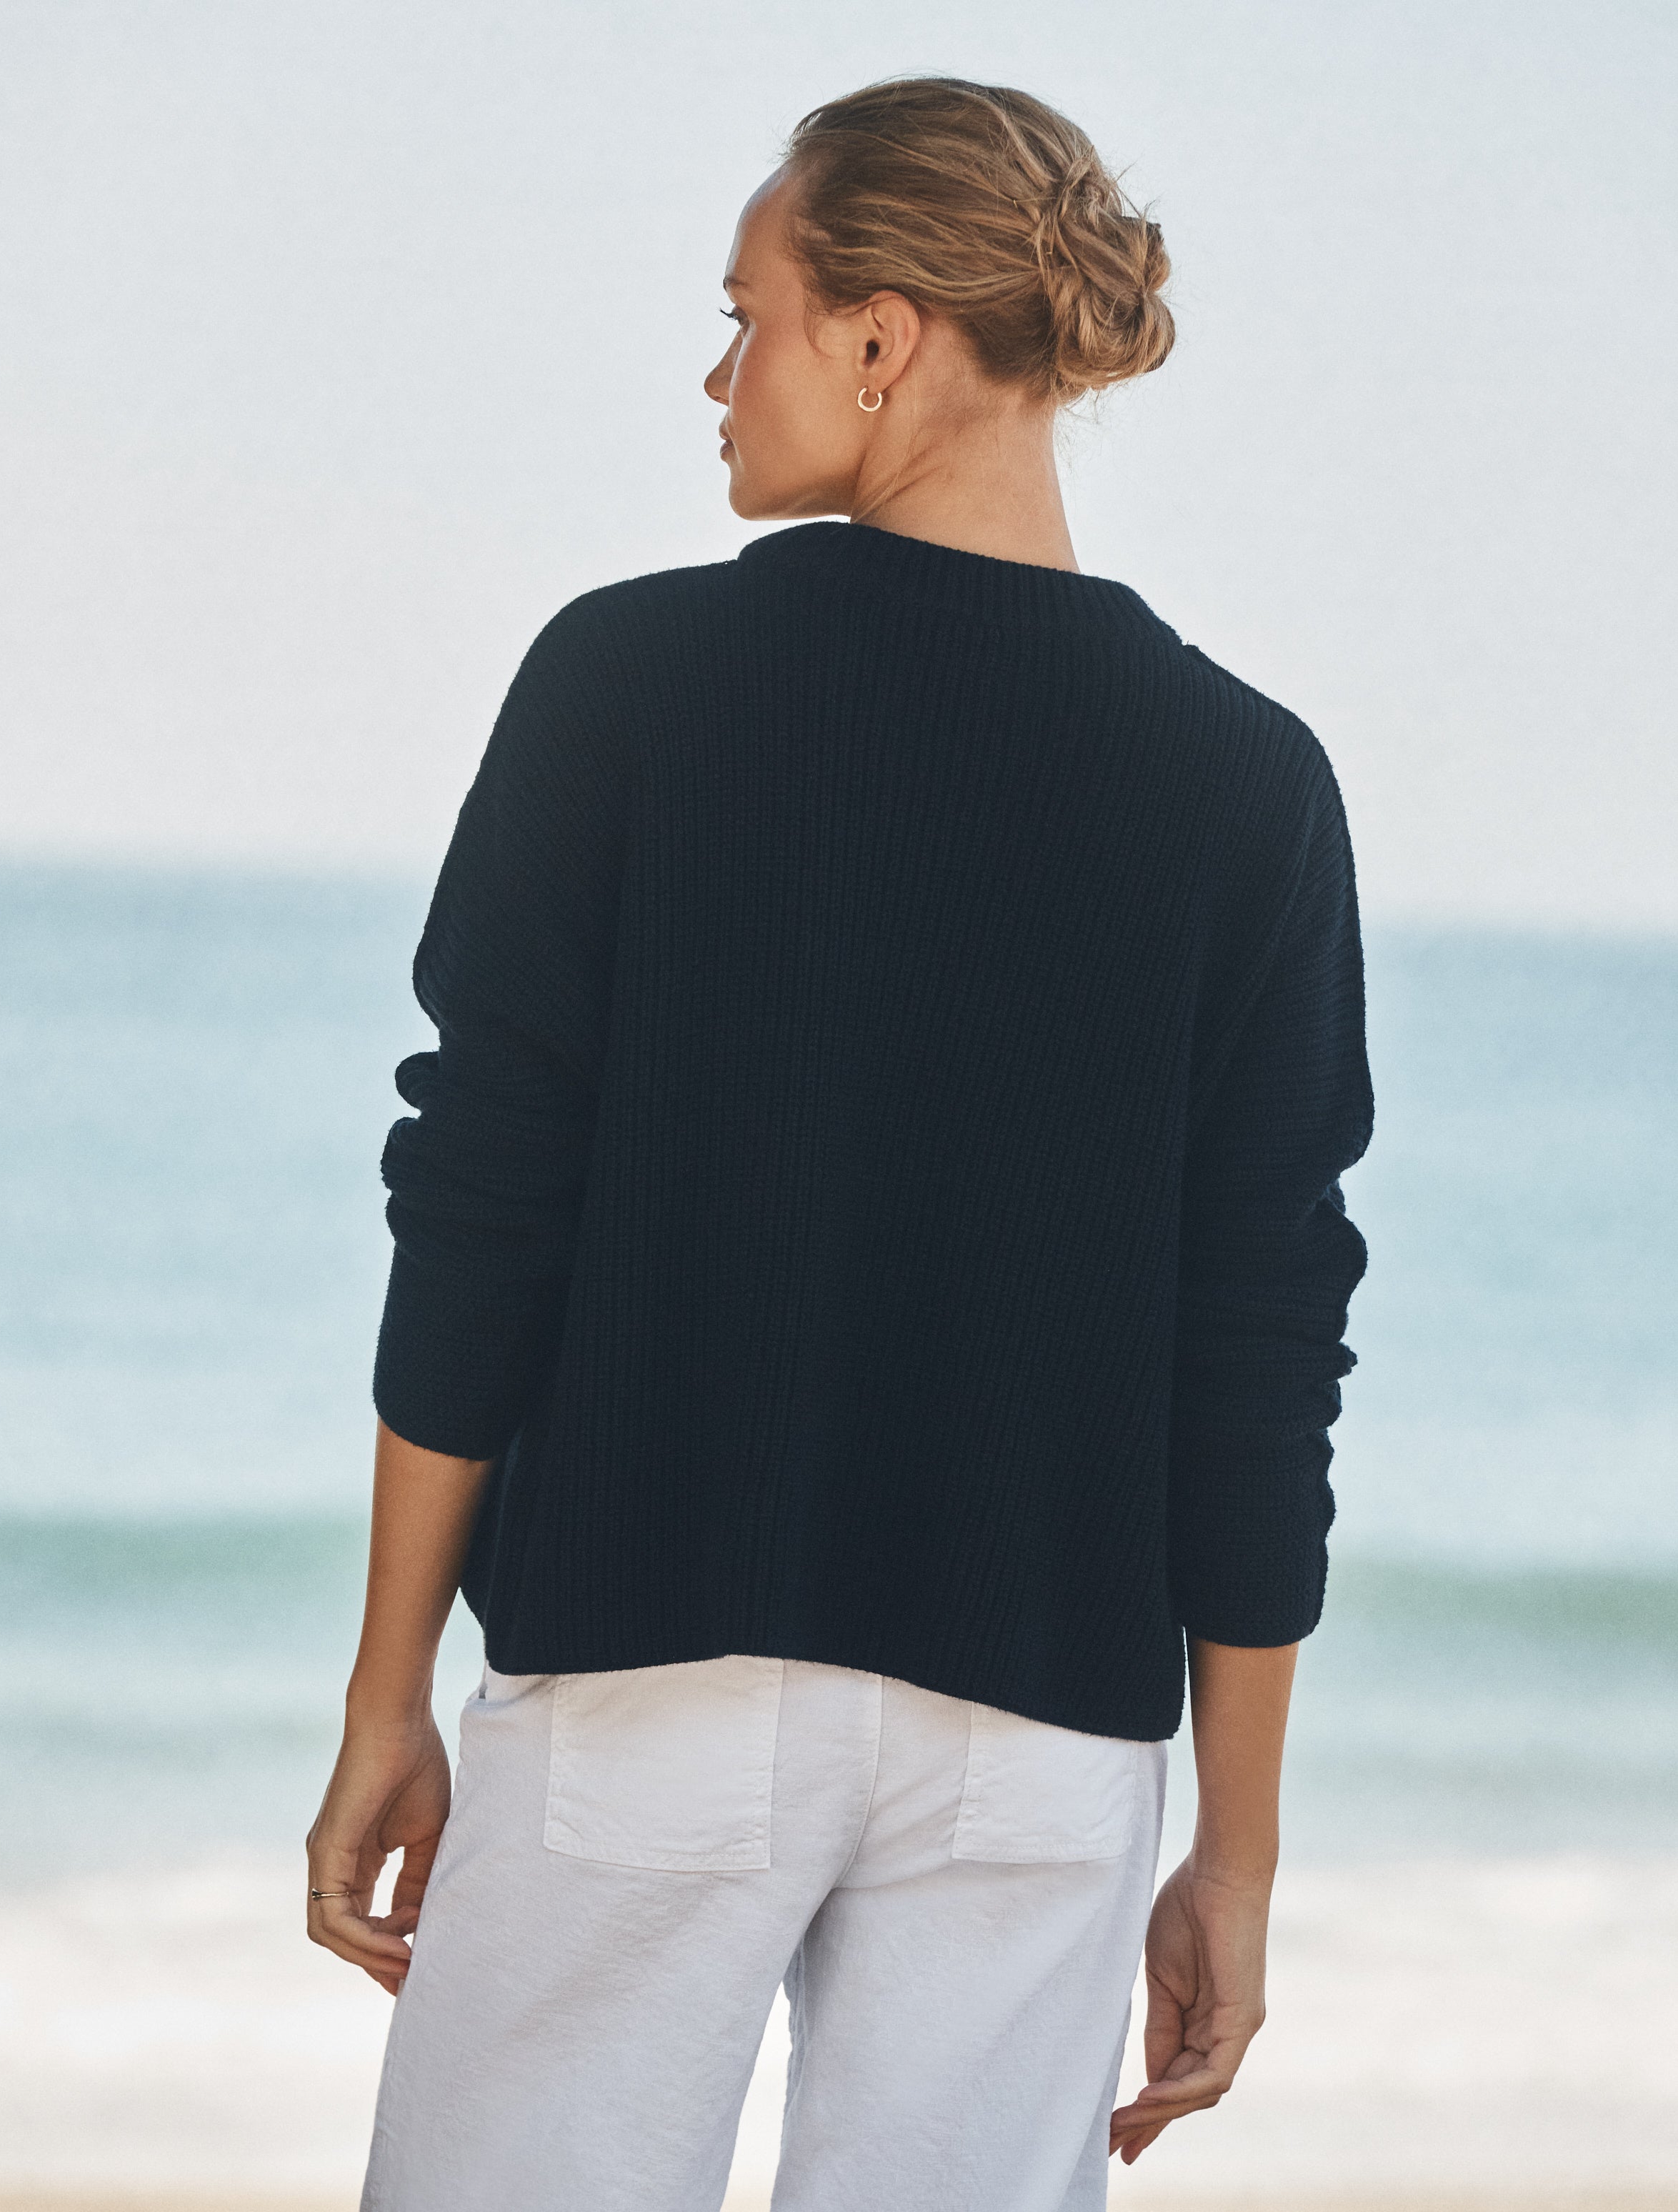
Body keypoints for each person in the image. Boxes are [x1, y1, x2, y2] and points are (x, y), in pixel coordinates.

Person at [306, 74, 1373, 2212]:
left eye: (749, 313)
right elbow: (1260, 1342)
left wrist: (385, 1690)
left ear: (881, 339)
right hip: (1044, 1753)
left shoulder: (625, 683)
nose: (719, 376)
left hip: (641, 1685)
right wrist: (1230, 1856)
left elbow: (481, 1202)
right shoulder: (1247, 786)